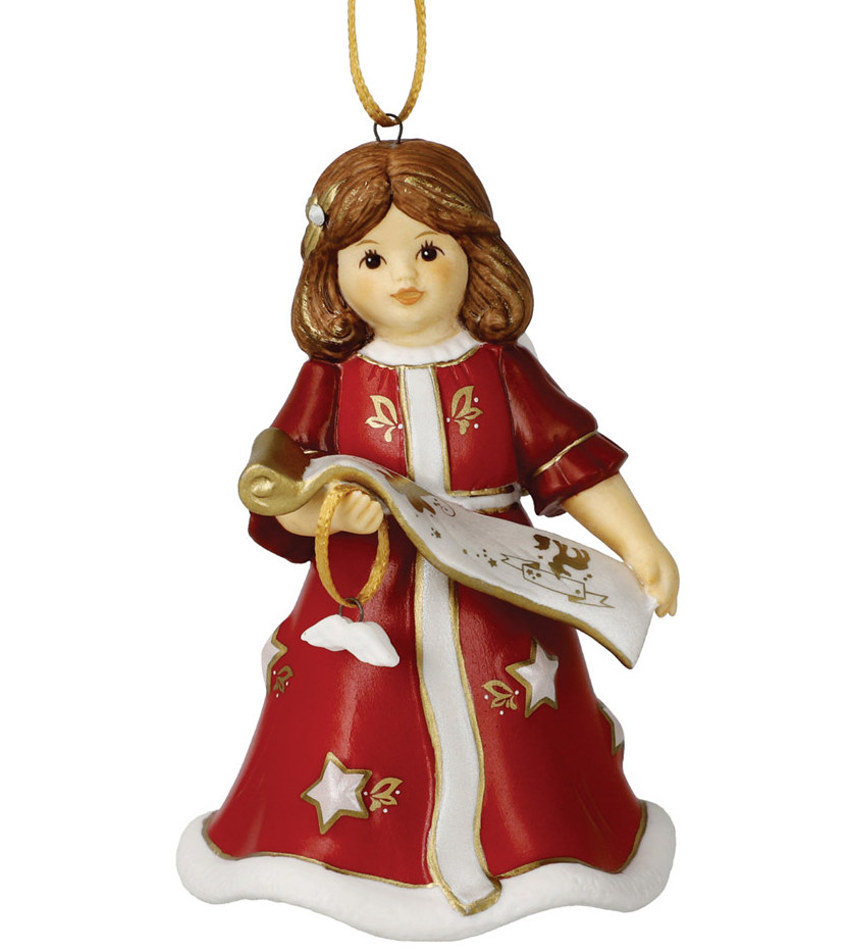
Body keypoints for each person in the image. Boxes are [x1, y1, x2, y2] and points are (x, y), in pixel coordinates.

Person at [177, 139, 679, 939]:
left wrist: (639, 542)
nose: (403, 276)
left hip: (497, 587)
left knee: (520, 731)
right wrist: (326, 512)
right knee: (355, 722)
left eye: (429, 250)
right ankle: (336, 852)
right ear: (334, 272)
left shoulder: (503, 369)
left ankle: (539, 845)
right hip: (368, 589)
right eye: (372, 258)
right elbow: (277, 482)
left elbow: (570, 460)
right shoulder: (332, 377)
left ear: (473, 253)